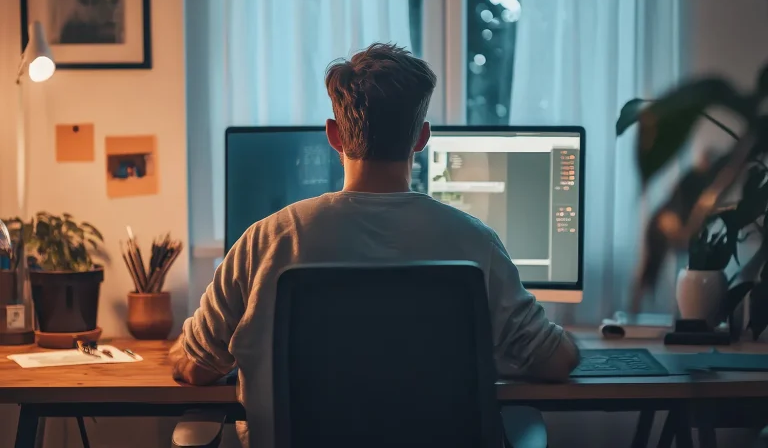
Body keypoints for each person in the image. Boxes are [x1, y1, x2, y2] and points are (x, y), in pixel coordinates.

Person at [170, 42, 580, 447]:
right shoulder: (475, 242)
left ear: (333, 135)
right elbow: (555, 361)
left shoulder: (267, 240)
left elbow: (195, 365)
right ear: (422, 137)